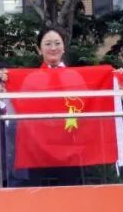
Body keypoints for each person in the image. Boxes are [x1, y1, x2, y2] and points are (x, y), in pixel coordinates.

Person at [8, 26, 87, 187]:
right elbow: (19, 110)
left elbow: (87, 108)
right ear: (39, 49)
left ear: (63, 47)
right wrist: (6, 83)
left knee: (69, 194)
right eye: (48, 44)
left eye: (57, 43)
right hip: (38, 150)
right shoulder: (30, 79)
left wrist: (115, 78)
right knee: (40, 195)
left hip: (70, 148)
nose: (53, 48)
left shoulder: (76, 77)